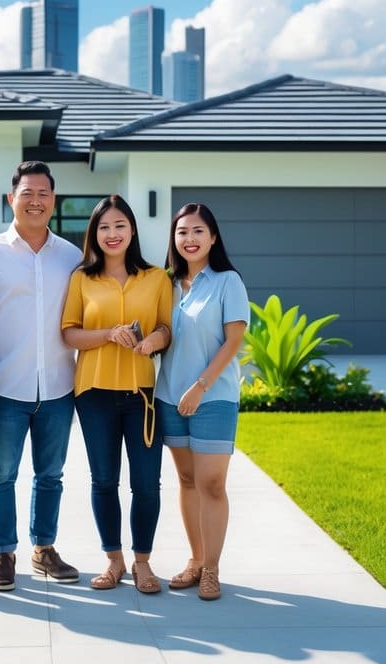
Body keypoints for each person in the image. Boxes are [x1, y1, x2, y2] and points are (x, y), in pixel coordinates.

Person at [0, 161, 82, 591]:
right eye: (27, 193)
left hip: (57, 385)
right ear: (11, 198)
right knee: (1, 472)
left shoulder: (71, 257)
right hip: (4, 388)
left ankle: (44, 549)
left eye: (44, 194)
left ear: (53, 201)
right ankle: (3, 553)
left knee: (51, 474)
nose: (35, 201)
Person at [61, 195, 173, 594]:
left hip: (141, 394)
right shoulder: (81, 279)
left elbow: (166, 328)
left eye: (120, 225)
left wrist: (153, 342)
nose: (112, 234)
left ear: (132, 230)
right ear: (94, 233)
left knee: (146, 483)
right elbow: (69, 332)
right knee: (104, 480)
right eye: (104, 227)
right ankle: (114, 561)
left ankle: (143, 562)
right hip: (93, 393)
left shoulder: (157, 278)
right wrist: (108, 334)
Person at [155, 202, 249, 602]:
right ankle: (194, 561)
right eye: (182, 232)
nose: (189, 239)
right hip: (169, 396)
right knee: (188, 481)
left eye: (197, 231)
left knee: (212, 483)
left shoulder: (228, 282)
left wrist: (200, 387)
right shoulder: (166, 285)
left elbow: (233, 341)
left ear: (212, 237)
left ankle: (211, 569)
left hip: (213, 397)